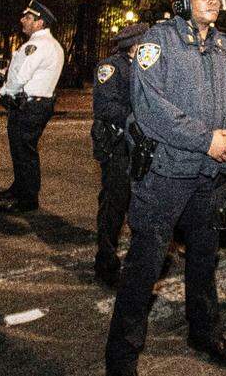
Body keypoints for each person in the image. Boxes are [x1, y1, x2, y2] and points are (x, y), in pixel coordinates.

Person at [104, 0, 226, 375]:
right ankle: (122, 357)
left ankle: (204, 332)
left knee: (204, 259)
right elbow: (152, 109)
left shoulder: (224, 46)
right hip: (167, 174)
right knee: (144, 266)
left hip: (211, 175)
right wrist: (207, 139)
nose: (213, 1)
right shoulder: (158, 41)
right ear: (182, 1)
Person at [0, 0, 64, 214]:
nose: (22, 20)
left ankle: (27, 199)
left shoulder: (37, 45)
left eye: (28, 18)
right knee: (21, 149)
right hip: (36, 104)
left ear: (40, 23)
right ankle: (19, 188)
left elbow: (20, 76)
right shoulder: (50, 44)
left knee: (25, 152)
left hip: (29, 105)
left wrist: (4, 93)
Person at [92, 22, 149, 287]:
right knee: (114, 203)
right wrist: (140, 119)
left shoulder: (146, 67)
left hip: (140, 146)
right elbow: (105, 107)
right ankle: (105, 261)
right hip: (118, 145)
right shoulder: (111, 67)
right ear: (134, 45)